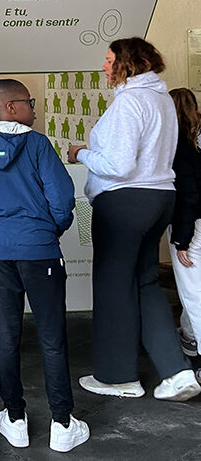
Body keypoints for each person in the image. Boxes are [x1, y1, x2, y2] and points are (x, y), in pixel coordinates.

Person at [69, 37, 199, 402]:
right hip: (161, 197)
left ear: (128, 63)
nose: (104, 66)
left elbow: (119, 165)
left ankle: (117, 377)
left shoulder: (130, 102)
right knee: (145, 283)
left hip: (125, 201)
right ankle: (177, 372)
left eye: (109, 60)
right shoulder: (162, 100)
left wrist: (82, 153)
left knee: (113, 287)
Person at [0, 79, 89, 453]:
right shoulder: (38, 145)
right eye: (29, 102)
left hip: (0, 251)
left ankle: (15, 418)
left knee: (7, 337)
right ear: (11, 107)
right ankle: (63, 423)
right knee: (52, 339)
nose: (34, 109)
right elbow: (62, 197)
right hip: (40, 251)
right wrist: (49, 229)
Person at [168, 88, 201, 371]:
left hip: (193, 227)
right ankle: (189, 336)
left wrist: (182, 240)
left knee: (193, 294)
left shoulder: (178, 144)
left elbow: (189, 196)